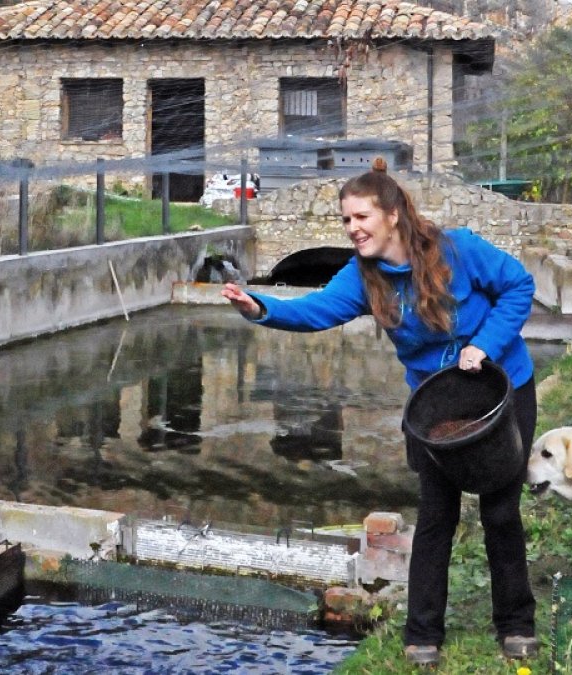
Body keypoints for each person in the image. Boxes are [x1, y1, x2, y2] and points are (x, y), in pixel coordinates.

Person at [221, 157, 538, 667]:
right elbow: (318, 310)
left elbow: (519, 286)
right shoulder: (362, 276)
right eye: (346, 220)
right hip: (435, 408)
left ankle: (517, 625)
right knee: (437, 514)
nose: (352, 229)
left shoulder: (457, 248)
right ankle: (423, 635)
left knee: (501, 510)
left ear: (392, 214)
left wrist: (485, 344)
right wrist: (262, 308)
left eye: (361, 217)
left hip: (502, 392)